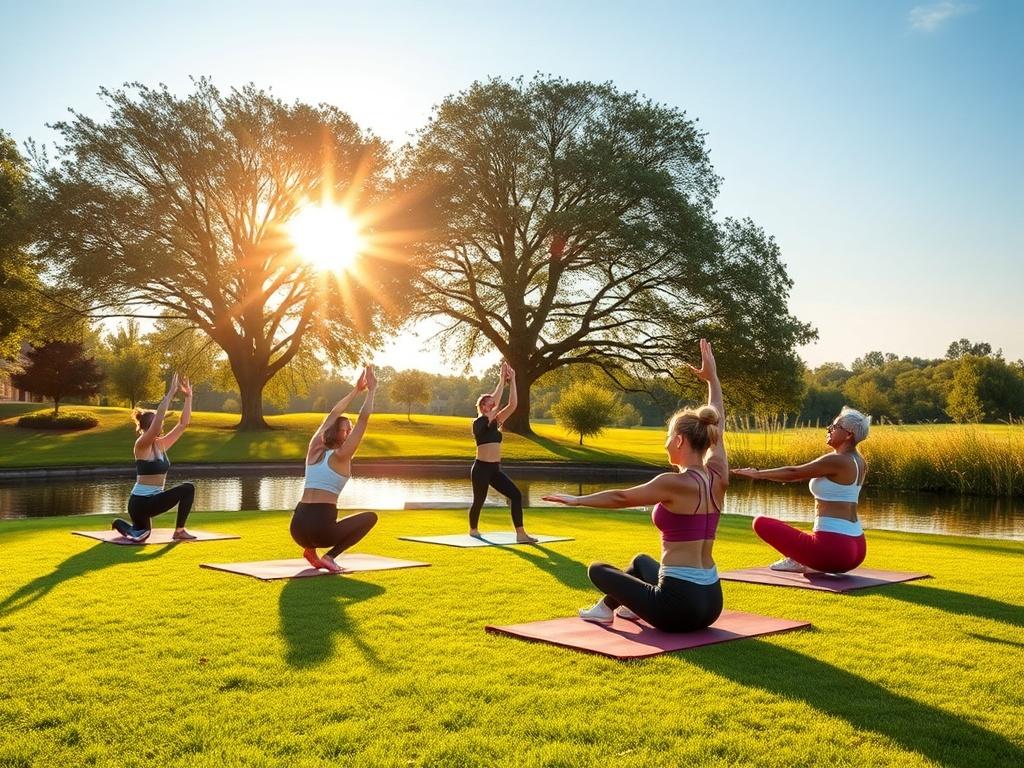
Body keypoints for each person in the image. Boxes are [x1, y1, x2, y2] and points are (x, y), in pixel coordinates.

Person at [544, 339, 726, 632]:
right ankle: (605, 609)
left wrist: (576, 500)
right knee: (641, 562)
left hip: (679, 607)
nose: (666, 442)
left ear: (679, 440)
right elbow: (719, 419)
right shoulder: (718, 475)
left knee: (597, 570)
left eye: (668, 436)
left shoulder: (674, 482)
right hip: (711, 602)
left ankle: (615, 608)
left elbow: (619, 497)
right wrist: (712, 380)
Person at [731, 406, 871, 574]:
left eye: (835, 427)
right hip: (857, 547)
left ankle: (800, 560)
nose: (829, 429)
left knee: (760, 522)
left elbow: (794, 473)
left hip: (834, 550)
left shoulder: (837, 460)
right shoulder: (859, 461)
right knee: (802, 534)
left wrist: (757, 474)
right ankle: (809, 561)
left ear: (849, 435)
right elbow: (798, 475)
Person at [291, 366, 379, 573]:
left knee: (320, 528)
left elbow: (334, 413)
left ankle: (310, 551)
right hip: (320, 529)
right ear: (336, 433)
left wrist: (356, 390)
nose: (349, 432)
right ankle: (330, 556)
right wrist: (372, 390)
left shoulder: (314, 449)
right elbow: (363, 420)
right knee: (370, 518)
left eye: (350, 429)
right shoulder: (342, 456)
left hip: (297, 527)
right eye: (346, 430)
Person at [111, 372, 196, 542]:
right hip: (140, 503)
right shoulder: (141, 445)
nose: (161, 423)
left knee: (142, 533)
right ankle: (178, 531)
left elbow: (183, 424)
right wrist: (170, 394)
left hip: (153, 501)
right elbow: (156, 425)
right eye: (157, 421)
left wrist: (188, 397)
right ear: (148, 427)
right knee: (188, 488)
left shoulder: (160, 444)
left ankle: (121, 524)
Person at [469, 360, 536, 543]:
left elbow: (513, 405)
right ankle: (473, 530)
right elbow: (497, 403)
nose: (493, 404)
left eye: (492, 402)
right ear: (483, 407)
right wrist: (501, 380)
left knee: (516, 495)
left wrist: (512, 380)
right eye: (489, 402)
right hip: (481, 469)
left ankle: (521, 534)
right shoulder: (479, 423)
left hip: (495, 470)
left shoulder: (496, 421)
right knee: (479, 500)